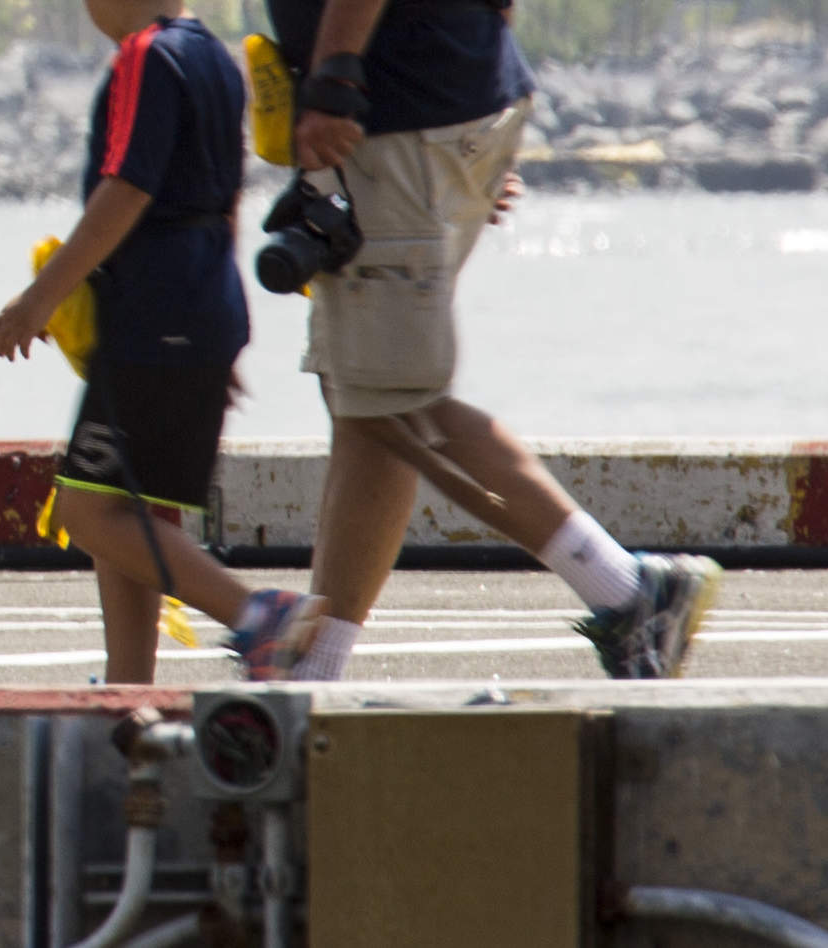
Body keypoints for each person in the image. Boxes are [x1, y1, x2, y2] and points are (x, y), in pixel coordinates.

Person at [262, 0, 714, 680]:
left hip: (396, 114)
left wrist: (334, 77)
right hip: (437, 104)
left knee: (388, 402)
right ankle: (313, 669)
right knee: (362, 392)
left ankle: (627, 589)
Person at [0, 0, 321, 685]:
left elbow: (126, 189)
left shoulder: (146, 54)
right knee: (130, 511)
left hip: (150, 318)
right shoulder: (214, 59)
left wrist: (38, 298)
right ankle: (126, 686)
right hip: (202, 311)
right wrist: (215, 332)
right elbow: (222, 197)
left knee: (84, 511)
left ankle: (260, 615)